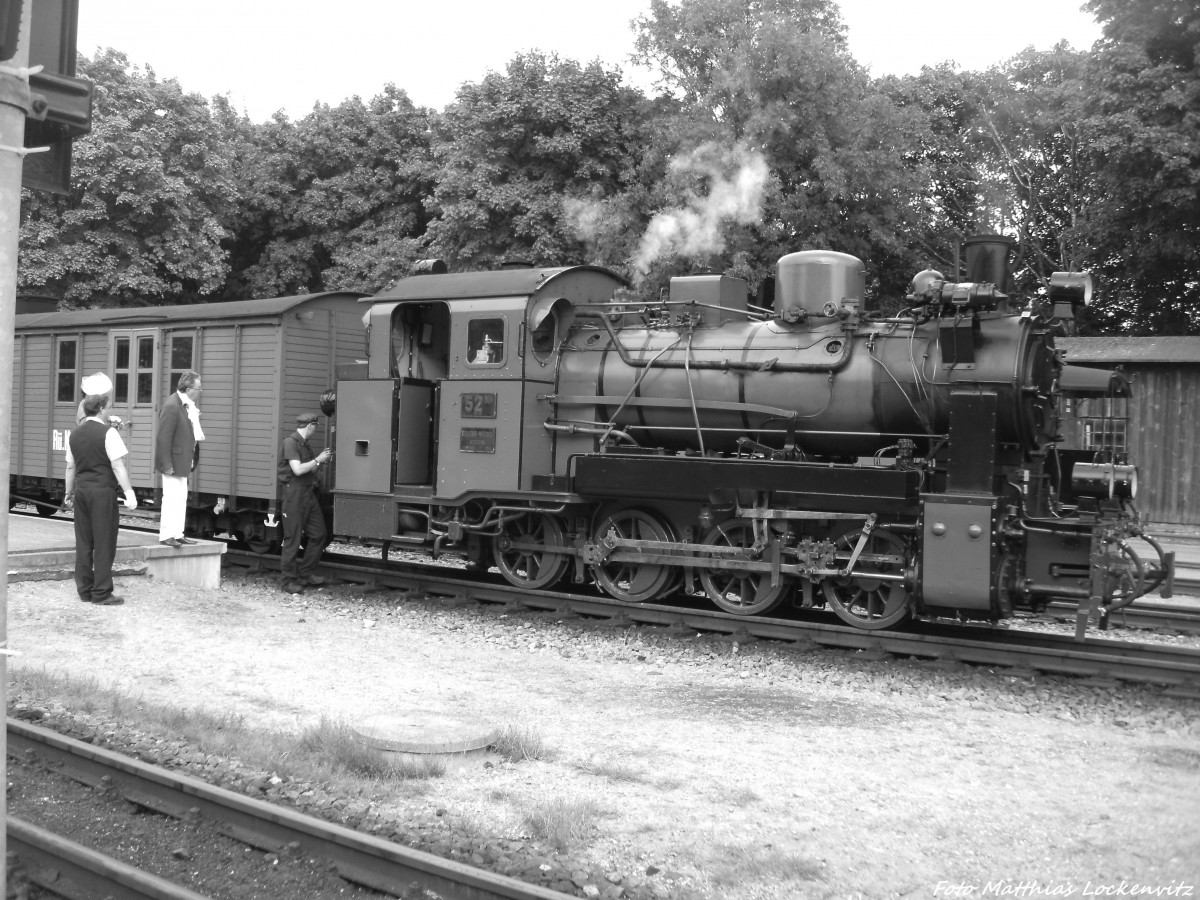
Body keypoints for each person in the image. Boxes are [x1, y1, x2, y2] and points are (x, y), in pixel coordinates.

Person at [63, 376, 139, 606]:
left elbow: (70, 467)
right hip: (102, 493)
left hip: (82, 492)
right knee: (104, 542)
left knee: (84, 542)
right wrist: (129, 492)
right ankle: (102, 592)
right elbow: (117, 466)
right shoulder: (109, 433)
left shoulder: (74, 434)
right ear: (103, 408)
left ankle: (84, 589)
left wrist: (68, 493)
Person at [277, 412, 333, 594]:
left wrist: (320, 462)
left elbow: (308, 468)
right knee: (292, 539)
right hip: (294, 495)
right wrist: (317, 460)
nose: (315, 430)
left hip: (307, 494)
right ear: (310, 426)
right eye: (315, 426)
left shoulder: (303, 444)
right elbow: (298, 469)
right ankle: (288, 581)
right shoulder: (290, 443)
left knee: (319, 534)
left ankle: (305, 574)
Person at [154, 370, 203, 548]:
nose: (200, 392)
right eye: (199, 388)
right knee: (171, 498)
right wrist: (166, 464)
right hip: (173, 462)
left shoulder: (185, 405)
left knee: (180, 498)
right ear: (189, 389)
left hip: (181, 460)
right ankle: (167, 534)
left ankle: (177, 533)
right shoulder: (172, 406)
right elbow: (163, 438)